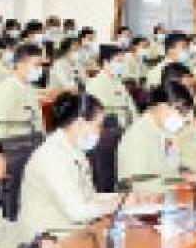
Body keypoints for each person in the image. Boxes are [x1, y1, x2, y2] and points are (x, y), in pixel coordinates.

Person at [18, 92, 120, 240]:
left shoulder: (74, 149)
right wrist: (118, 204)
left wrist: (122, 197)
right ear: (80, 123)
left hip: (71, 232)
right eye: (98, 126)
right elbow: (78, 212)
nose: (101, 132)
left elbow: (88, 197)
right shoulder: (51, 156)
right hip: (48, 240)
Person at [117, 80, 195, 194]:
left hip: (167, 194)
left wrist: (185, 175)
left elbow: (171, 168)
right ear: (162, 106)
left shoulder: (165, 130)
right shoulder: (137, 136)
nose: (184, 119)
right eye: (182, 113)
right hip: (144, 199)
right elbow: (138, 184)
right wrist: (179, 183)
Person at [161, 62, 196, 174]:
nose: (191, 81)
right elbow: (174, 162)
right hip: (194, 172)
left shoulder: (186, 110)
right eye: (187, 78)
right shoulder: (169, 124)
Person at [0, 43, 45, 138]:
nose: (40, 70)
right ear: (20, 64)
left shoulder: (29, 88)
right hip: (14, 143)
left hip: (33, 139)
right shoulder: (4, 93)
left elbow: (38, 121)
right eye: (36, 66)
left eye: (41, 65)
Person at [86, 44, 137, 127]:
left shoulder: (117, 81)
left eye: (122, 62)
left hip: (127, 124)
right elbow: (101, 115)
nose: (122, 65)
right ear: (106, 63)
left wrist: (136, 123)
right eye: (118, 61)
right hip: (112, 127)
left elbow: (130, 104)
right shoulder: (95, 84)